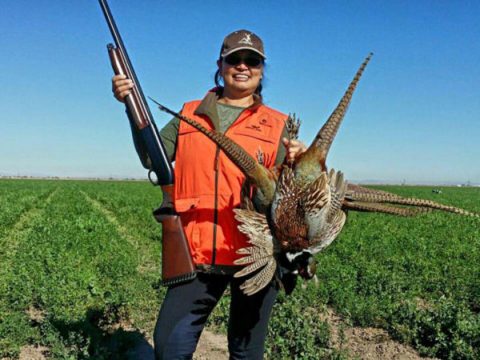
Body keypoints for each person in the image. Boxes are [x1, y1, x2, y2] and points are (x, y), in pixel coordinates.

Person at [112, 29, 306, 360]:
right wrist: (131, 108)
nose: (243, 66)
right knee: (170, 346)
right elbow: (150, 156)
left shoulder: (279, 124)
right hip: (197, 252)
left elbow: (291, 193)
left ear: (261, 69)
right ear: (221, 64)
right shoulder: (188, 114)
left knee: (246, 352)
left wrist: (298, 161)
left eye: (252, 61)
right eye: (235, 59)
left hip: (255, 257)